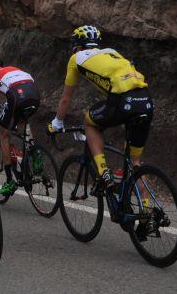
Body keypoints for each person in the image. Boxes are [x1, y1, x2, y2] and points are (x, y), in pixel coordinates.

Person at [46, 25, 153, 191]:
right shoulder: (112, 52)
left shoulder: (76, 58)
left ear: (77, 46)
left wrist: (57, 123)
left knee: (90, 122)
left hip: (122, 100)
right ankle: (146, 211)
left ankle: (104, 173)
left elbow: (66, 99)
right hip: (145, 100)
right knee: (135, 163)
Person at [0, 55, 40, 197]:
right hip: (34, 94)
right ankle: (35, 152)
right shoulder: (14, 69)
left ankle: (10, 181)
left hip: (16, 96)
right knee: (23, 121)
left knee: (3, 134)